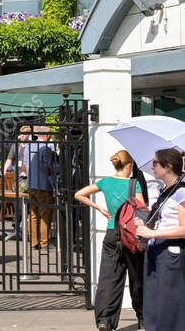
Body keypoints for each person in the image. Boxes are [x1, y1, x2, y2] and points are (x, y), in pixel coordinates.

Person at [74, 150, 147, 331]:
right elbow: (142, 209)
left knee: (109, 277)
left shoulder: (105, 182)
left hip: (111, 233)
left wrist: (99, 207)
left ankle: (104, 320)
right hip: (130, 235)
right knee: (136, 276)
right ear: (129, 165)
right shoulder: (134, 184)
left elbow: (79, 194)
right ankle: (143, 317)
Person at [134, 148, 185, 331]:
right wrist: (146, 226)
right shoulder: (167, 190)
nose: (152, 166)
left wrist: (152, 233)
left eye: (155, 162)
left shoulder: (181, 192)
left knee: (169, 304)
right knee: (154, 303)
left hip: (171, 254)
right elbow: (163, 221)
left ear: (169, 166)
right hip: (157, 251)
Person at [25, 127, 58, 249]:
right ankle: (45, 242)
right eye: (49, 135)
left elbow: (26, 166)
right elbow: (49, 169)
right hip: (43, 186)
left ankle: (33, 242)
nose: (50, 137)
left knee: (33, 214)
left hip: (31, 184)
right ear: (47, 135)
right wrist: (54, 186)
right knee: (45, 214)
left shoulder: (30, 147)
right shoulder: (46, 150)